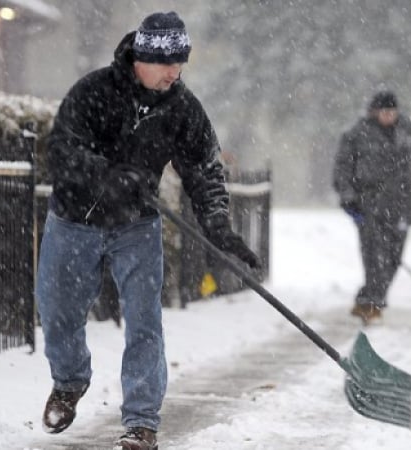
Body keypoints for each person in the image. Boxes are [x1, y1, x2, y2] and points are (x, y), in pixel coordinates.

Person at [36, 11, 261, 449]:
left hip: (136, 226)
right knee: (58, 313)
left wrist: (217, 223)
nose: (175, 72)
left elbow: (204, 169)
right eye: (167, 63)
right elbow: (62, 149)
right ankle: (69, 381)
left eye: (181, 63)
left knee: (144, 322)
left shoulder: (181, 107)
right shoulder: (93, 92)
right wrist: (108, 176)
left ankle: (141, 423)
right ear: (142, 56)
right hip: (74, 220)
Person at [332, 90, 411, 325]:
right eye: (384, 112)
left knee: (394, 258)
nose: (389, 116)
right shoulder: (357, 135)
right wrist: (348, 197)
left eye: (392, 111)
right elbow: (342, 169)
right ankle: (372, 304)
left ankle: (369, 299)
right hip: (369, 207)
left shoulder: (408, 132)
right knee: (374, 258)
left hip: (401, 205)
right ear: (374, 112)